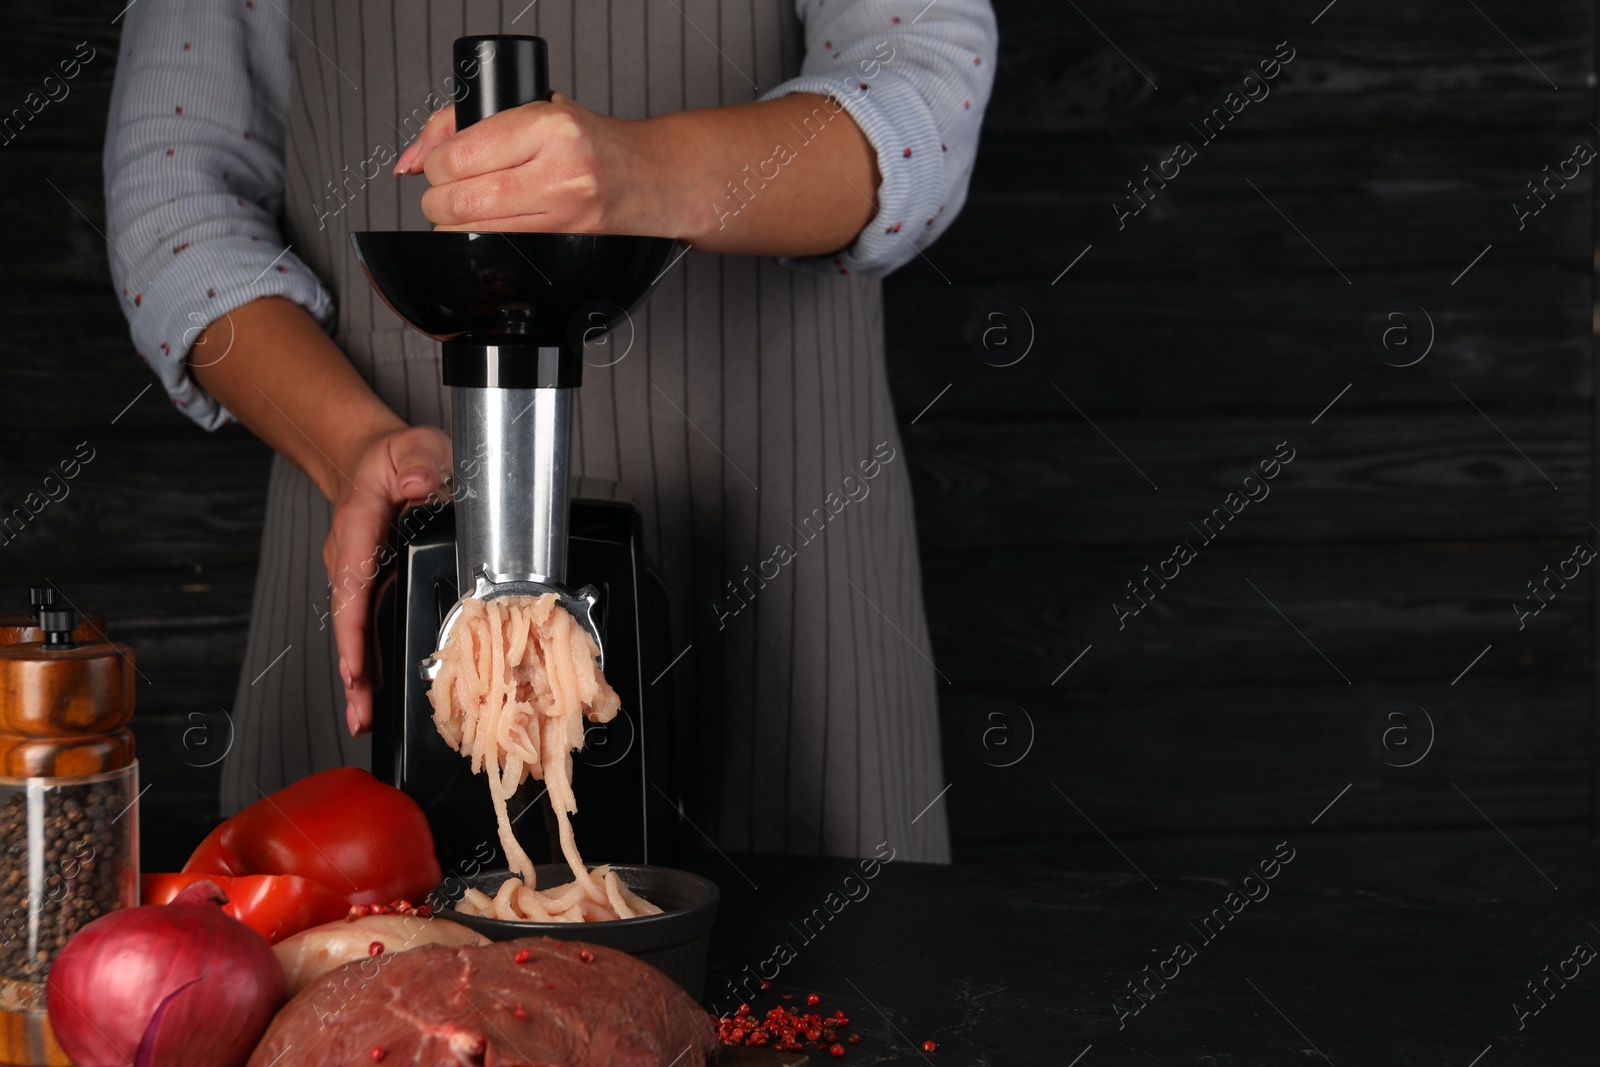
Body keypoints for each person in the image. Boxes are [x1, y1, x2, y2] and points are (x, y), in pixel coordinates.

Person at [104, 0, 996, 863]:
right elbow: (174, 199)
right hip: (374, 542)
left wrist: (642, 173)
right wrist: (349, 448)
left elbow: (925, 100)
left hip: (791, 585)